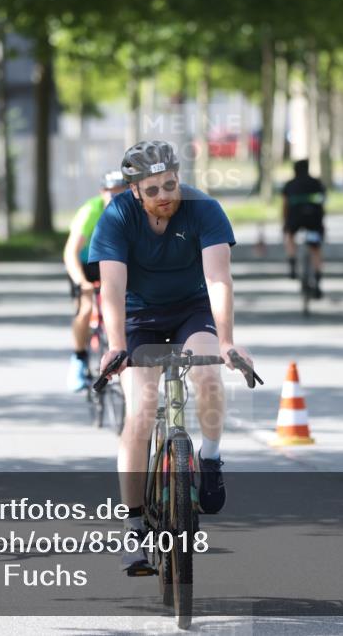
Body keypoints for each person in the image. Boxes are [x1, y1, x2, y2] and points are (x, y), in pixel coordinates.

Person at [89, 140, 254, 574]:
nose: (165, 195)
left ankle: (211, 458)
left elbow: (218, 278)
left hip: (192, 311)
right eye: (154, 189)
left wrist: (227, 341)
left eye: (171, 184)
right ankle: (134, 527)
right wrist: (116, 344)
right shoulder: (117, 216)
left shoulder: (204, 209)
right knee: (140, 410)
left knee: (209, 375)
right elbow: (110, 289)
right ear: (135, 192)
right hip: (138, 317)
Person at [63, 170, 124, 391]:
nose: (116, 197)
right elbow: (71, 252)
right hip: (86, 265)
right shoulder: (91, 211)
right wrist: (82, 282)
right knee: (86, 307)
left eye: (122, 192)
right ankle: (79, 358)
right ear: (102, 192)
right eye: (112, 192)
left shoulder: (132, 210)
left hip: (115, 262)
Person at [281, 159, 326, 297]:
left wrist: (285, 222)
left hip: (295, 217)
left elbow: (285, 205)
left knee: (289, 235)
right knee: (315, 248)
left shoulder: (289, 185)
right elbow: (323, 202)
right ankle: (318, 279)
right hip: (313, 217)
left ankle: (292, 263)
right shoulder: (316, 183)